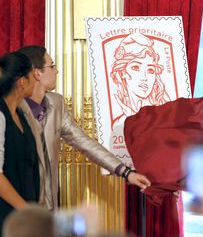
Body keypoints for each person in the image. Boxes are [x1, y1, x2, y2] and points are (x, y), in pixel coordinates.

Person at [17, 45, 151, 210]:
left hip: (49, 206)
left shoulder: (56, 103)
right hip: (17, 207)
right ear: (37, 73)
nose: (56, 71)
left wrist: (126, 172)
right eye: (52, 66)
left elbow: (84, 142)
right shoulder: (12, 107)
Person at [0, 52, 40, 236]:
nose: (36, 80)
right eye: (33, 76)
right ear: (22, 81)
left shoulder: (21, 115)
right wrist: (26, 210)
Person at [110, 32, 170, 127]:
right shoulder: (117, 124)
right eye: (135, 68)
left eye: (150, 70)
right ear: (122, 73)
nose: (144, 78)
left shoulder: (167, 117)